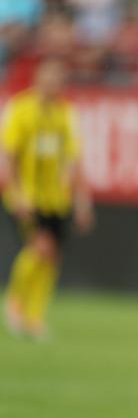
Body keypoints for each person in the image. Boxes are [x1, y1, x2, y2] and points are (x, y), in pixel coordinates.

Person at [2, 58, 93, 338]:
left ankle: (35, 315)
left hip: (56, 198)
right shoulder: (21, 108)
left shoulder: (65, 113)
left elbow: (74, 161)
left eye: (59, 80)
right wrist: (17, 196)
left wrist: (81, 202)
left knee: (52, 256)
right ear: (38, 81)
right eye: (49, 79)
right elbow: (10, 157)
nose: (54, 85)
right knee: (39, 248)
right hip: (27, 196)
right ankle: (15, 305)